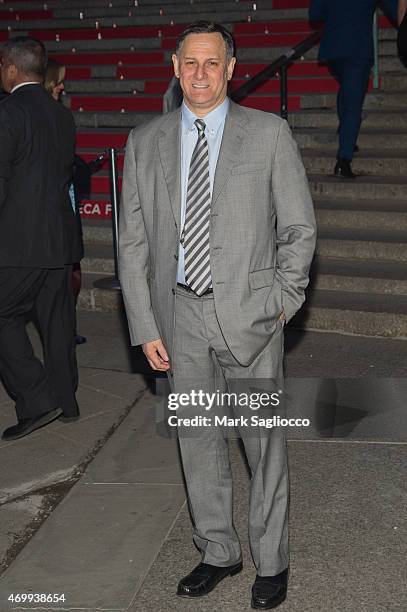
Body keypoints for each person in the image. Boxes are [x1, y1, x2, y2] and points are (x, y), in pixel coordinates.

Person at [119, 21, 316, 609]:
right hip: (177, 317)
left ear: (231, 68)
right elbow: (132, 242)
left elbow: (300, 229)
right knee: (197, 439)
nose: (200, 73)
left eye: (212, 62)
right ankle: (218, 551)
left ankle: (271, 561)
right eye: (190, 63)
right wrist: (144, 323)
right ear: (175, 68)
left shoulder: (269, 134)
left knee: (262, 444)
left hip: (251, 318)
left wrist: (281, 300)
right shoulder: (145, 140)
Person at [0, 37, 83, 440]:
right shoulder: (61, 115)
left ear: (11, 68)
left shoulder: (9, 113)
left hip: (20, 242)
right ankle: (67, 402)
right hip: (59, 238)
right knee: (57, 322)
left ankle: (36, 399)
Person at [309, 0, 397, 178]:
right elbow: (394, 9)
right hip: (358, 48)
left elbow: (315, 15)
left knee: (348, 92)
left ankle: (346, 137)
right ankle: (344, 160)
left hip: (333, 48)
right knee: (353, 105)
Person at [44, 58, 87, 345]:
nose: (63, 86)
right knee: (66, 275)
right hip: (56, 208)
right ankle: (62, 332)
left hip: (65, 205)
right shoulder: (50, 116)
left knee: (72, 272)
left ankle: (65, 330)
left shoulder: (56, 113)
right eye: (59, 80)